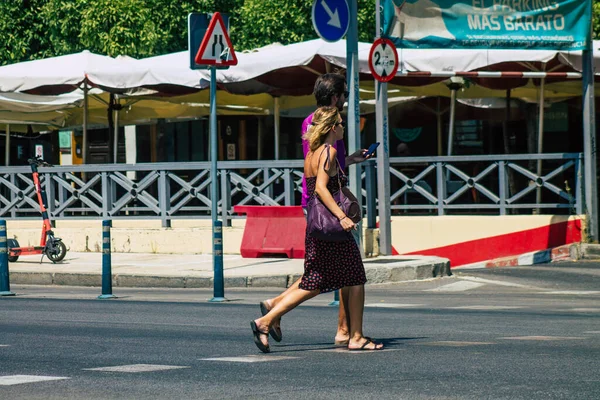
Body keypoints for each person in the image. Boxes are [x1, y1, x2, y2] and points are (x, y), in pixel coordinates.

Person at [250, 106, 384, 353]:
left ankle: (270, 317)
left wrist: (352, 159)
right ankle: (267, 320)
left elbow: (322, 181)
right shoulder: (329, 151)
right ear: (333, 127)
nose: (343, 126)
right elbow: (322, 188)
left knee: (328, 280)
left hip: (317, 227)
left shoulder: (314, 152)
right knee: (344, 278)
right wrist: (342, 216)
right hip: (331, 227)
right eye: (341, 123)